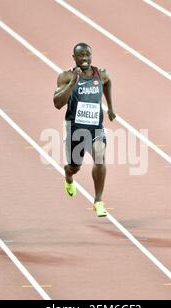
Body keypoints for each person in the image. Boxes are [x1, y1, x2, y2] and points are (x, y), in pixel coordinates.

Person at [53, 43, 116, 217]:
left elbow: (108, 82)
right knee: (74, 166)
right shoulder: (66, 76)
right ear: (74, 57)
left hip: (96, 128)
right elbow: (57, 103)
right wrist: (73, 82)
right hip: (75, 129)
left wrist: (110, 107)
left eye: (87, 55)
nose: (85, 58)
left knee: (100, 157)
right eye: (80, 56)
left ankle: (98, 201)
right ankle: (68, 176)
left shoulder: (100, 74)